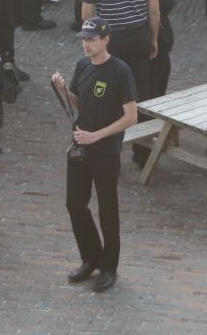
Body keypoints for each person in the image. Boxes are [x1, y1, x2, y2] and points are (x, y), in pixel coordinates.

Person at [51, 17, 138, 294]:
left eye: (91, 39)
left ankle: (109, 266)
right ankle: (91, 257)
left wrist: (97, 135)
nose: (86, 45)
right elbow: (79, 102)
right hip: (80, 146)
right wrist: (63, 90)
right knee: (75, 203)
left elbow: (131, 117)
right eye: (84, 40)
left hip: (105, 151)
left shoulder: (119, 72)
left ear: (105, 39)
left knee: (107, 208)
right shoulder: (82, 66)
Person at [80, 0, 161, 164]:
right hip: (138, 38)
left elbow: (87, 13)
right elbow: (154, 10)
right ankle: (143, 152)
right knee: (140, 94)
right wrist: (153, 38)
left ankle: (106, 149)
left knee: (105, 95)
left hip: (110, 40)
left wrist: (92, 43)